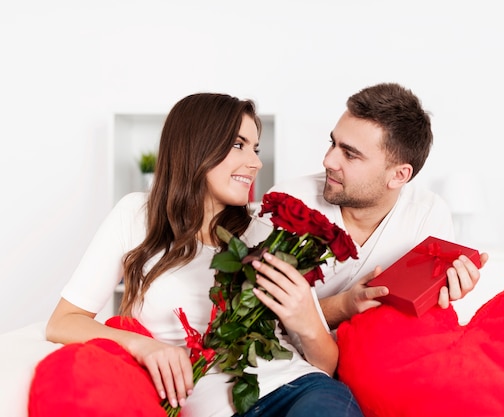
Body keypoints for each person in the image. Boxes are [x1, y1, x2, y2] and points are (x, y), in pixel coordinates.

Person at [42, 93, 363, 417]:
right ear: (196, 145)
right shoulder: (135, 216)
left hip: (300, 390)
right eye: (238, 145)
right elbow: (62, 323)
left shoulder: (264, 235)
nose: (255, 162)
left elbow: (326, 364)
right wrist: (142, 346)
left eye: (255, 148)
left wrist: (306, 321)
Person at [262, 82, 489, 329]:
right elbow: (253, 322)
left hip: (374, 354)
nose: (328, 160)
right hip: (294, 362)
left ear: (399, 176)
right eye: (333, 143)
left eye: (350, 154)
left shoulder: (427, 214)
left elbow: (412, 323)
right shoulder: (288, 203)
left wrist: (438, 297)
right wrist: (342, 306)